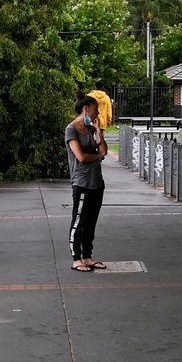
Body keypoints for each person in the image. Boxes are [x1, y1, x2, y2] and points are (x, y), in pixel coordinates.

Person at [67, 95, 109, 272]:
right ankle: (76, 258)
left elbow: (104, 150)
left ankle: (87, 256)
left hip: (97, 182)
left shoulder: (92, 129)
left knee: (91, 221)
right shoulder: (71, 129)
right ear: (86, 109)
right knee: (79, 220)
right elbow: (81, 157)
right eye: (95, 109)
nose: (97, 113)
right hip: (82, 182)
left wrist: (99, 132)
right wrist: (98, 156)